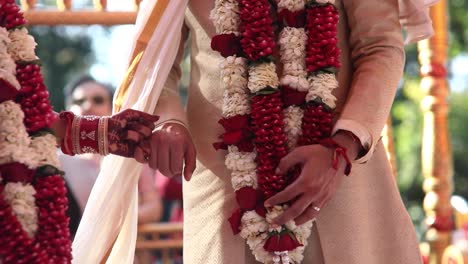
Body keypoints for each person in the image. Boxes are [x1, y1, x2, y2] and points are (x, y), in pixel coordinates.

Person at [144, 0, 438, 263]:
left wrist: (342, 146)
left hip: (342, 182)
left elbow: (380, 47)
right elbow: (151, 61)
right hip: (225, 188)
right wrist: (168, 120)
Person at [58, 75, 163, 237]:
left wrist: (112, 221)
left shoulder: (131, 155)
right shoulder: (57, 160)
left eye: (98, 100)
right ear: (68, 110)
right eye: (79, 101)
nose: (87, 106)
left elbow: (154, 208)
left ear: (112, 108)